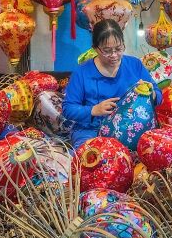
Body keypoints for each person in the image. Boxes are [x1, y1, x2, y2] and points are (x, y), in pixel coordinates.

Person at [62, 19, 162, 149]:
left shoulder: (134, 65)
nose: (114, 55)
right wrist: (93, 110)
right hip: (91, 130)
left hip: (131, 129)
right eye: (107, 50)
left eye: (119, 49)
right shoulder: (82, 72)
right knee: (94, 158)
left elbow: (158, 96)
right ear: (95, 49)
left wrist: (150, 93)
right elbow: (68, 108)